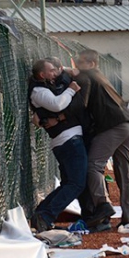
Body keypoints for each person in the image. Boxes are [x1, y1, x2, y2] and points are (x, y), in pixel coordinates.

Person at [75, 49, 129, 229]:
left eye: (81, 63)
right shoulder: (101, 77)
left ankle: (103, 205)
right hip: (128, 125)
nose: (78, 66)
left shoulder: (87, 77)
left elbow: (82, 105)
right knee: (124, 173)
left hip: (113, 126)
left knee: (94, 166)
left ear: (91, 64)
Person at [28, 59, 87, 232]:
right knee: (76, 183)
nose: (56, 73)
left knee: (70, 182)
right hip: (67, 140)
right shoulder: (38, 91)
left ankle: (42, 213)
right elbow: (57, 105)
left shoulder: (51, 83)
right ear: (42, 74)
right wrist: (71, 90)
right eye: (52, 71)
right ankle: (44, 215)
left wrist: (67, 70)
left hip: (70, 138)